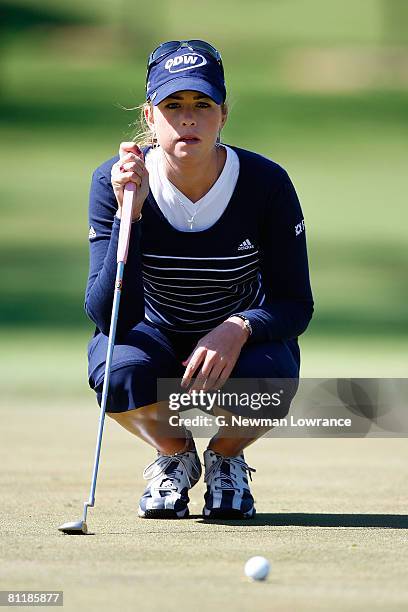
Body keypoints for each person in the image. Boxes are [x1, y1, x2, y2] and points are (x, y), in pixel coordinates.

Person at [85, 40, 314, 520]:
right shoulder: (116, 180)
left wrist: (239, 328)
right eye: (173, 106)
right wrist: (133, 215)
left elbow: (295, 303)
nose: (188, 118)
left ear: (223, 114)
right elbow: (109, 315)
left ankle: (226, 457)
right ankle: (175, 455)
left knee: (271, 378)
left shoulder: (265, 183)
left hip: (241, 342)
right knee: (118, 372)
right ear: (149, 116)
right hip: (152, 331)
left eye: (201, 105)